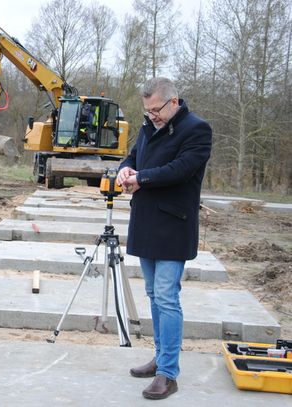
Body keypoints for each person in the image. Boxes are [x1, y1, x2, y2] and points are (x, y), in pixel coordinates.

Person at [116, 77, 212, 399]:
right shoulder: (149, 126)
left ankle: (169, 374)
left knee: (167, 297)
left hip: (174, 225)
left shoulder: (197, 130)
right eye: (147, 110)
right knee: (154, 295)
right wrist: (125, 170)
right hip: (146, 222)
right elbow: (133, 156)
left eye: (156, 109)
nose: (152, 115)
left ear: (174, 102)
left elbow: (180, 169)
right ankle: (160, 358)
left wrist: (141, 178)